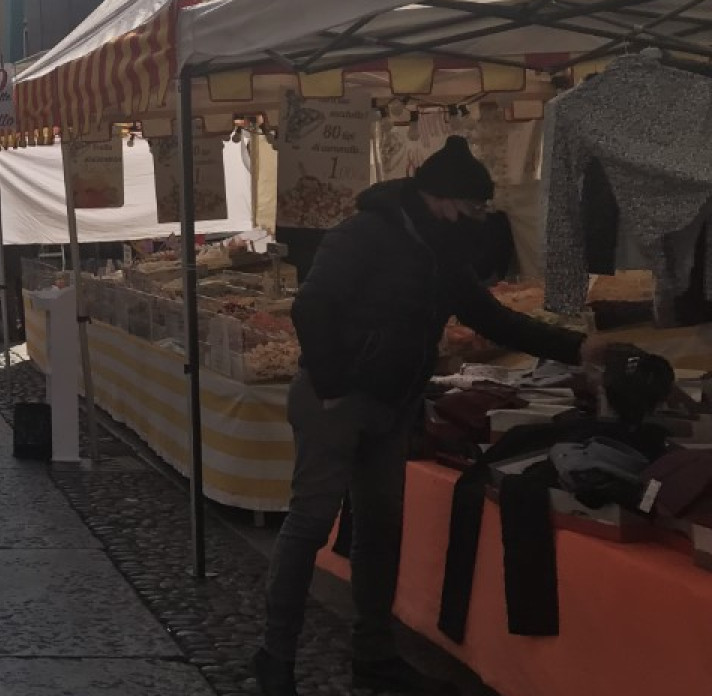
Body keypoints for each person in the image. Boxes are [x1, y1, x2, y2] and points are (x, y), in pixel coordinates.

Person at [254, 138, 595, 696]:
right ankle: (275, 657)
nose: (476, 220)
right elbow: (311, 306)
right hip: (333, 404)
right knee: (310, 525)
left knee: (381, 532)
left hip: (394, 406)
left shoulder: (442, 252)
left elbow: (493, 318)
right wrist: (335, 386)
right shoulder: (362, 234)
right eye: (470, 207)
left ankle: (374, 658)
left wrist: (580, 351)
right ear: (439, 197)